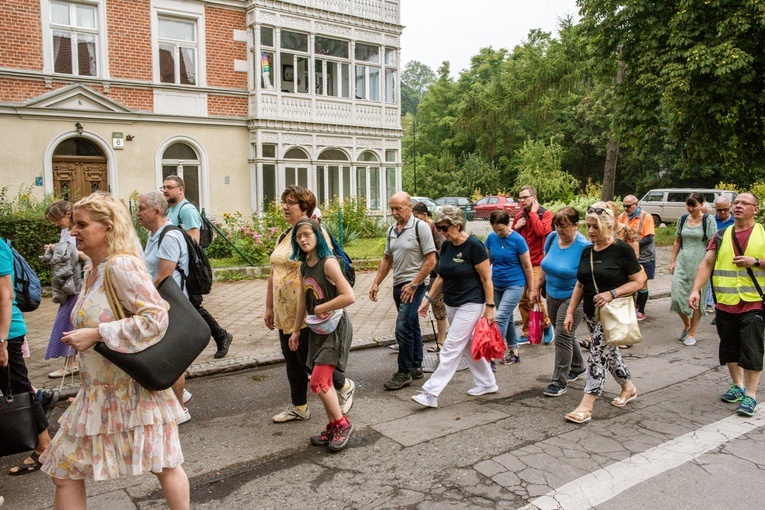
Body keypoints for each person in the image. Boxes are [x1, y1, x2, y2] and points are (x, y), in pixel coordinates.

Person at [39, 192, 189, 509]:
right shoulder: (95, 269)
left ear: (107, 227)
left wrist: (96, 333)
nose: (73, 231)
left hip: (133, 390)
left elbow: (155, 318)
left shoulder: (121, 266)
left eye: (82, 224)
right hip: (98, 393)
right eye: (73, 224)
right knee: (63, 469)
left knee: (165, 464)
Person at [265, 186, 355, 423]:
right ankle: (299, 406)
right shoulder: (286, 235)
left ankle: (343, 385)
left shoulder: (315, 232)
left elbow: (327, 268)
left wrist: (322, 308)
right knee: (291, 359)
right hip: (286, 311)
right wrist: (269, 306)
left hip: (310, 311)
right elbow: (274, 273)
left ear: (305, 207)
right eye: (284, 201)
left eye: (290, 202)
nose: (285, 206)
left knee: (310, 361)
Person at [563, 203, 644, 424]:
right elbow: (580, 284)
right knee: (611, 354)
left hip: (612, 314)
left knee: (597, 355)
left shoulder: (622, 250)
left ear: (607, 226)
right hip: (591, 313)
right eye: (588, 226)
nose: (590, 231)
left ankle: (586, 405)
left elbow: (639, 281)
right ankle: (628, 387)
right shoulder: (587, 251)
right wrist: (570, 312)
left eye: (595, 227)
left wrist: (613, 293)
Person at [689, 192, 765, 417]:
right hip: (725, 302)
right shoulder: (721, 235)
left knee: (751, 348)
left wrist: (756, 262)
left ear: (756, 209)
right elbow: (707, 264)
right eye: (737, 203)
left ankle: (750, 396)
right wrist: (695, 290)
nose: (738, 206)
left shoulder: (762, 234)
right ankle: (738, 386)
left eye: (745, 203)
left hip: (754, 302)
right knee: (730, 347)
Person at [413, 205, 497, 408]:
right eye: (439, 228)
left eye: (445, 227)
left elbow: (487, 279)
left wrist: (490, 307)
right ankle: (487, 383)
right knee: (467, 345)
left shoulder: (475, 246)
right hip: (452, 303)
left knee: (450, 347)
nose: (441, 232)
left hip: (472, 303)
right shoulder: (448, 246)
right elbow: (442, 276)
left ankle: (430, 393)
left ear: (458, 225)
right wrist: (428, 299)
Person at [289, 218, 356, 451]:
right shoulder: (304, 265)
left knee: (318, 381)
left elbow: (349, 296)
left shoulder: (328, 263)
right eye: (299, 237)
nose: (303, 239)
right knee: (323, 382)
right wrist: (296, 330)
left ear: (317, 235)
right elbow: (301, 300)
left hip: (335, 328)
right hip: (317, 328)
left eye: (307, 234)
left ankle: (342, 424)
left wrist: (321, 308)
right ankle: (332, 426)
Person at [370, 192, 436, 390]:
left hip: (414, 285)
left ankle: (403, 371)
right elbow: (386, 259)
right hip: (399, 285)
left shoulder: (420, 227)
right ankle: (416, 365)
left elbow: (431, 260)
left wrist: (415, 284)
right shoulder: (392, 229)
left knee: (402, 326)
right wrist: (376, 283)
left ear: (409, 206)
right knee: (411, 324)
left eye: (398, 208)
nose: (394, 212)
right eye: (392, 208)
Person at [136, 191, 193, 424]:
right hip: (157, 305)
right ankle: (177, 397)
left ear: (156, 211)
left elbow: (164, 275)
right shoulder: (153, 235)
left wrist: (143, 298)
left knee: (173, 359)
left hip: (170, 306)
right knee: (164, 358)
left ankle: (180, 409)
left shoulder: (169, 236)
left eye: (141, 209)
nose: (137, 213)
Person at [162, 175, 233, 359]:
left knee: (192, 306)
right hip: (177, 268)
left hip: (187, 270)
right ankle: (219, 336)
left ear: (180, 189)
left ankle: (221, 336)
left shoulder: (187, 210)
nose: (165, 191)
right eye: (164, 187)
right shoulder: (170, 210)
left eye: (169, 187)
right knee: (189, 307)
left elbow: (194, 241)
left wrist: (174, 258)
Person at [0, 236, 52, 476]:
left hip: (6, 333)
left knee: (19, 388)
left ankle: (45, 447)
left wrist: (1, 340)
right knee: (16, 386)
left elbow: (5, 295)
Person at [531, 207, 591, 397]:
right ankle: (578, 366)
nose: (560, 231)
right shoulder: (552, 238)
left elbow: (586, 279)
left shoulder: (584, 247)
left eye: (564, 226)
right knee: (564, 331)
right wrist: (536, 287)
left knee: (563, 336)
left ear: (576, 225)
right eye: (557, 226)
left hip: (574, 296)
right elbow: (545, 265)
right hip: (552, 293)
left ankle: (559, 382)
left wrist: (573, 308)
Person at [485, 210, 532, 366]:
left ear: (508, 224)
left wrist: (531, 289)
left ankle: (491, 355)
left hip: (515, 284)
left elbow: (527, 266)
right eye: (496, 230)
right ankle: (514, 352)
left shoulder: (518, 241)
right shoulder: (491, 238)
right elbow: (487, 262)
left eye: (502, 230)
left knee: (500, 318)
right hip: (497, 284)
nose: (499, 233)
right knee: (508, 318)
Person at [669, 193, 717, 347]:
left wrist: (709, 265)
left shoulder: (708, 220)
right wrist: (672, 261)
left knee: (697, 298)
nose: (690, 209)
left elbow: (712, 243)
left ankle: (692, 333)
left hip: (700, 262)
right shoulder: (682, 219)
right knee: (676, 296)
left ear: (702, 204)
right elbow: (677, 241)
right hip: (683, 261)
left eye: (693, 205)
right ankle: (686, 324)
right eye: (688, 205)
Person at [43, 201, 83, 379]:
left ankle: (70, 363)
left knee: (67, 319)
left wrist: (59, 249)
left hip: (76, 283)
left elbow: (80, 254)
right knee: (69, 319)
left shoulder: (79, 230)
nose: (56, 224)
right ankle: (71, 362)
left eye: (57, 220)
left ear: (68, 214)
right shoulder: (66, 231)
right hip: (68, 282)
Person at [512, 186, 554, 344]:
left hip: (537, 263)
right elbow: (511, 238)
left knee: (533, 296)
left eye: (525, 197)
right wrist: (515, 228)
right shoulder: (519, 217)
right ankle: (528, 331)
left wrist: (534, 214)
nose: (521, 200)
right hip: (521, 263)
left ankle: (547, 325)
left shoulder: (546, 214)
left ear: (534, 197)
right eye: (520, 198)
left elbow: (542, 231)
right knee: (522, 300)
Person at [412, 201, 447, 351]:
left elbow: (443, 251)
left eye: (416, 217)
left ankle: (441, 341)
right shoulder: (417, 229)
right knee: (412, 306)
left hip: (435, 275)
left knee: (438, 307)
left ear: (425, 215)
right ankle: (409, 341)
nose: (413, 221)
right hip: (420, 274)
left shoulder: (434, 229)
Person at [620, 195, 656, 321]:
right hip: (627, 255)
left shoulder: (646, 217)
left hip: (644, 255)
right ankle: (631, 307)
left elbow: (649, 237)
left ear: (636, 204)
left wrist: (631, 244)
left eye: (628, 206)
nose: (626, 208)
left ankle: (641, 310)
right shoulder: (622, 216)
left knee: (642, 282)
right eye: (624, 206)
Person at [706, 196, 735, 315]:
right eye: (719, 210)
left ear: (730, 206)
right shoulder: (711, 221)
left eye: (725, 209)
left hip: (730, 259)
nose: (722, 212)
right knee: (715, 286)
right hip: (714, 258)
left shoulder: (736, 221)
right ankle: (717, 309)